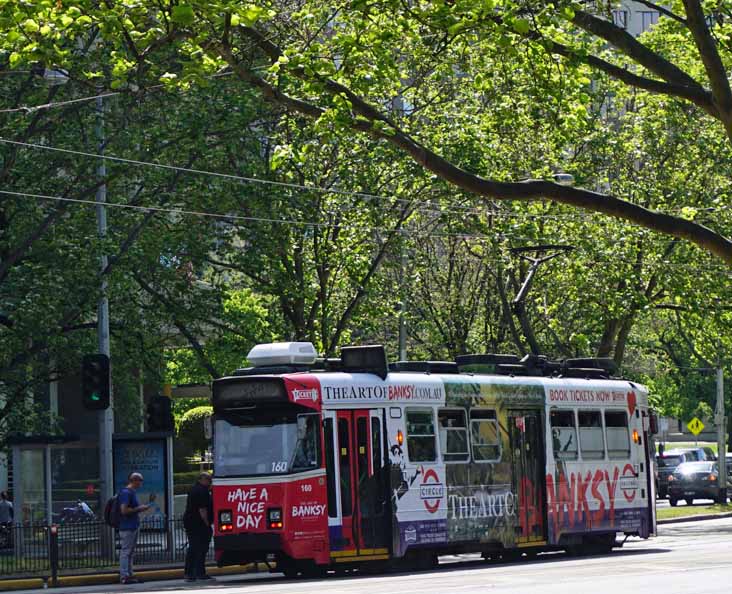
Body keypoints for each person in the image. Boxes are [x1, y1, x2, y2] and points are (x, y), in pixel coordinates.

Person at [118, 473, 150, 585]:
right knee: (126, 551)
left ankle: (129, 574)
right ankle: (124, 575)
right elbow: (124, 510)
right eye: (141, 480)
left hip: (132, 525)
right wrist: (139, 508)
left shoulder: (131, 492)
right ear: (134, 480)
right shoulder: (126, 493)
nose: (141, 483)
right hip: (128, 527)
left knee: (130, 552)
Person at [183, 472, 214, 582]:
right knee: (199, 548)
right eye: (209, 480)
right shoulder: (202, 491)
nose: (210, 483)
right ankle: (198, 572)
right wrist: (207, 524)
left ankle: (191, 572)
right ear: (202, 479)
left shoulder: (195, 489)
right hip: (198, 523)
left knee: (194, 548)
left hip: (192, 523)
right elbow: (202, 510)